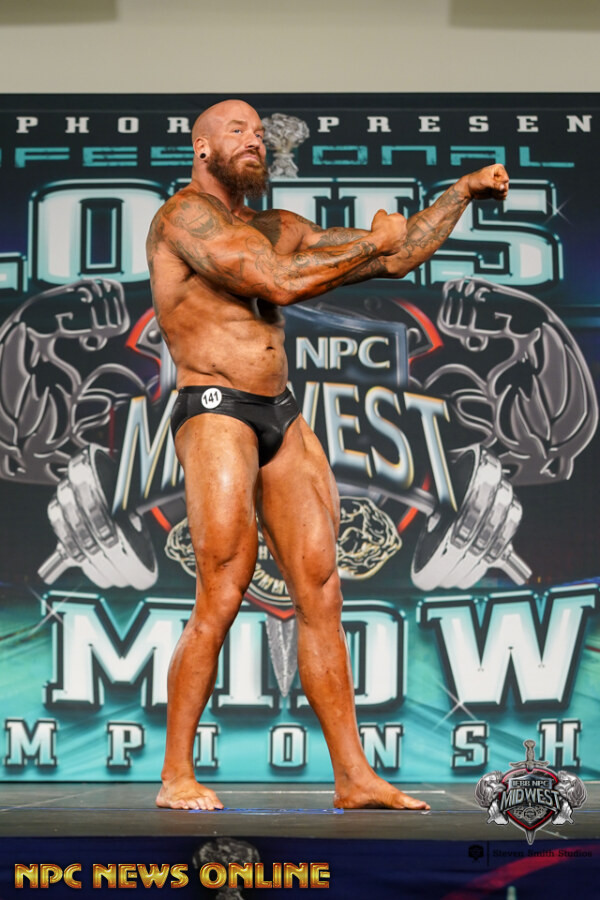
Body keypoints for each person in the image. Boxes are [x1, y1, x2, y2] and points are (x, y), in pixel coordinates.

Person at [146, 99, 509, 811]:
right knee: (223, 587)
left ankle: (353, 777)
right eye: (236, 131)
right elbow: (275, 282)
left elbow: (397, 254)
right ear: (202, 148)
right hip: (214, 408)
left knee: (321, 590)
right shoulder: (183, 217)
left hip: (280, 412)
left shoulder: (280, 226)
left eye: (259, 132)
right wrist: (372, 244)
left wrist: (460, 193)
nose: (254, 140)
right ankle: (176, 774)